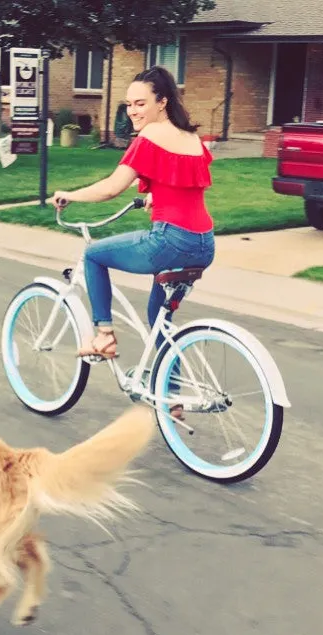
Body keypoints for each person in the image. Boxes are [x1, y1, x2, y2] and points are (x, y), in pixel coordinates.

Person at [51, 66, 215, 419]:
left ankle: (104, 336)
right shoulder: (192, 139)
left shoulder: (150, 138)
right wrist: (159, 197)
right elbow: (186, 185)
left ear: (162, 102)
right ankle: (170, 397)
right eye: (128, 105)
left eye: (141, 103)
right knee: (159, 315)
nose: (133, 111)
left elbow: (113, 187)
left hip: (170, 241)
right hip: (203, 243)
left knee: (94, 254)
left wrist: (70, 195)